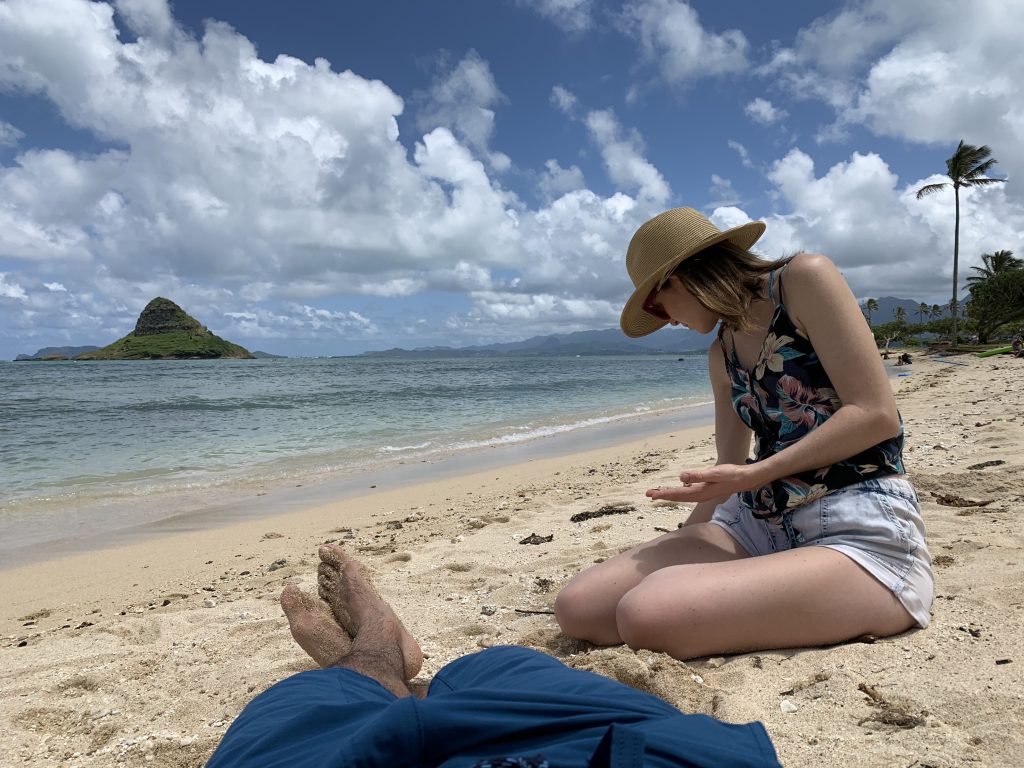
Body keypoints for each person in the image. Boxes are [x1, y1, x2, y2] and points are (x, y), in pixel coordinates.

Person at [555, 207, 933, 662]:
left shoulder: (803, 280)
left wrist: (759, 473)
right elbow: (727, 468)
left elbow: (875, 414)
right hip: (758, 520)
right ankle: (759, 584)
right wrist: (690, 530)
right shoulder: (722, 353)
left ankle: (867, 585)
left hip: (854, 516)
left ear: (679, 277)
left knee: (645, 614)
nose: (666, 320)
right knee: (580, 608)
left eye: (656, 305)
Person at [207, 543, 781, 767]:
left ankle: (375, 653)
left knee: (302, 704)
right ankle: (382, 666)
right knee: (495, 665)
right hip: (619, 751)